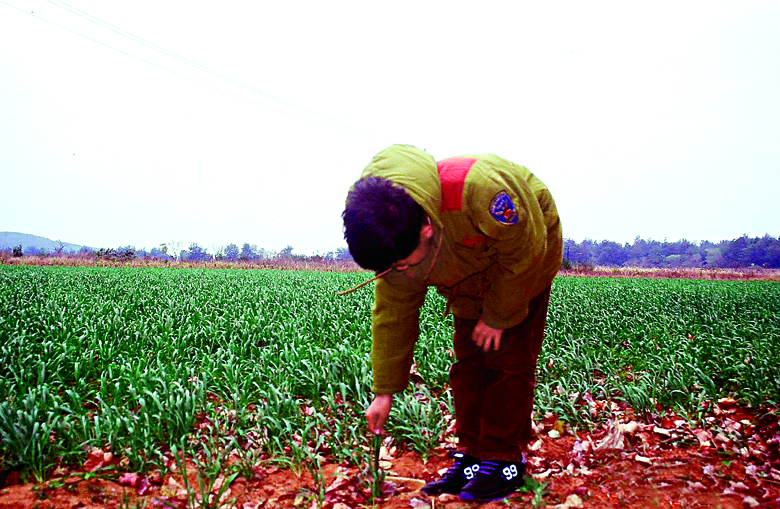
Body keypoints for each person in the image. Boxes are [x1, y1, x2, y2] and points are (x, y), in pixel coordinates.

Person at [341, 144, 562, 502]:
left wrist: (497, 316)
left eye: (401, 264)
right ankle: (472, 455)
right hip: (464, 267)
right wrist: (384, 391)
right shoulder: (391, 239)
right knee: (469, 360)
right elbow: (393, 317)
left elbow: (525, 250)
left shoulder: (481, 191)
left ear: (426, 228)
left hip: (524, 254)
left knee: (508, 357)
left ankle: (504, 459)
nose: (399, 271)